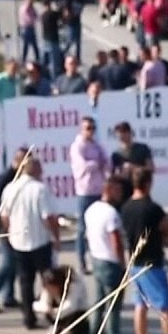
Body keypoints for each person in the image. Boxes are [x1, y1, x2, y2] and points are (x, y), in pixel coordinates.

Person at [120, 169, 168, 334]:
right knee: (166, 308)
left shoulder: (126, 208)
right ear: (148, 183)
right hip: (152, 263)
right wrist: (165, 238)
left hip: (135, 262)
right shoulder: (152, 208)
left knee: (140, 306)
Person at [0, 158, 60, 331]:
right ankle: (52, 314)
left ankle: (29, 318)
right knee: (48, 279)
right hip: (40, 240)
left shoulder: (10, 188)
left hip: (18, 241)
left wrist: (9, 232)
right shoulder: (40, 189)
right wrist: (56, 237)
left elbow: (4, 216)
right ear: (35, 170)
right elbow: (48, 217)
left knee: (25, 281)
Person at [84, 176, 128, 334]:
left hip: (96, 259)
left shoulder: (91, 210)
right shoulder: (111, 214)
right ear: (109, 190)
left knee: (99, 303)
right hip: (110, 261)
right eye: (117, 191)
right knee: (113, 307)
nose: (120, 194)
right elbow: (116, 241)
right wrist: (123, 263)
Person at [0, 147, 29, 313]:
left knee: (15, 262)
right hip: (4, 227)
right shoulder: (5, 179)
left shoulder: (21, 178)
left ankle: (8, 296)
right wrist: (1, 223)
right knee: (9, 262)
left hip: (16, 226)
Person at [70, 116, 110, 273]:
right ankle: (81, 261)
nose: (91, 131)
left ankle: (98, 258)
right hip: (85, 191)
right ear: (81, 129)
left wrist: (103, 164)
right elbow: (82, 166)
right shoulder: (77, 146)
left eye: (93, 128)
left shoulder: (97, 145)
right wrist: (96, 163)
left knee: (98, 227)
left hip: (98, 189)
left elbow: (106, 161)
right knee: (82, 228)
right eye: (88, 128)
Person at [110, 121, 153, 202]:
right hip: (124, 192)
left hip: (141, 190)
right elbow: (114, 175)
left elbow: (151, 168)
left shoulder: (142, 148)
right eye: (119, 134)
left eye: (124, 133)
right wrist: (121, 175)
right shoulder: (116, 154)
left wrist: (134, 168)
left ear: (129, 133)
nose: (121, 137)